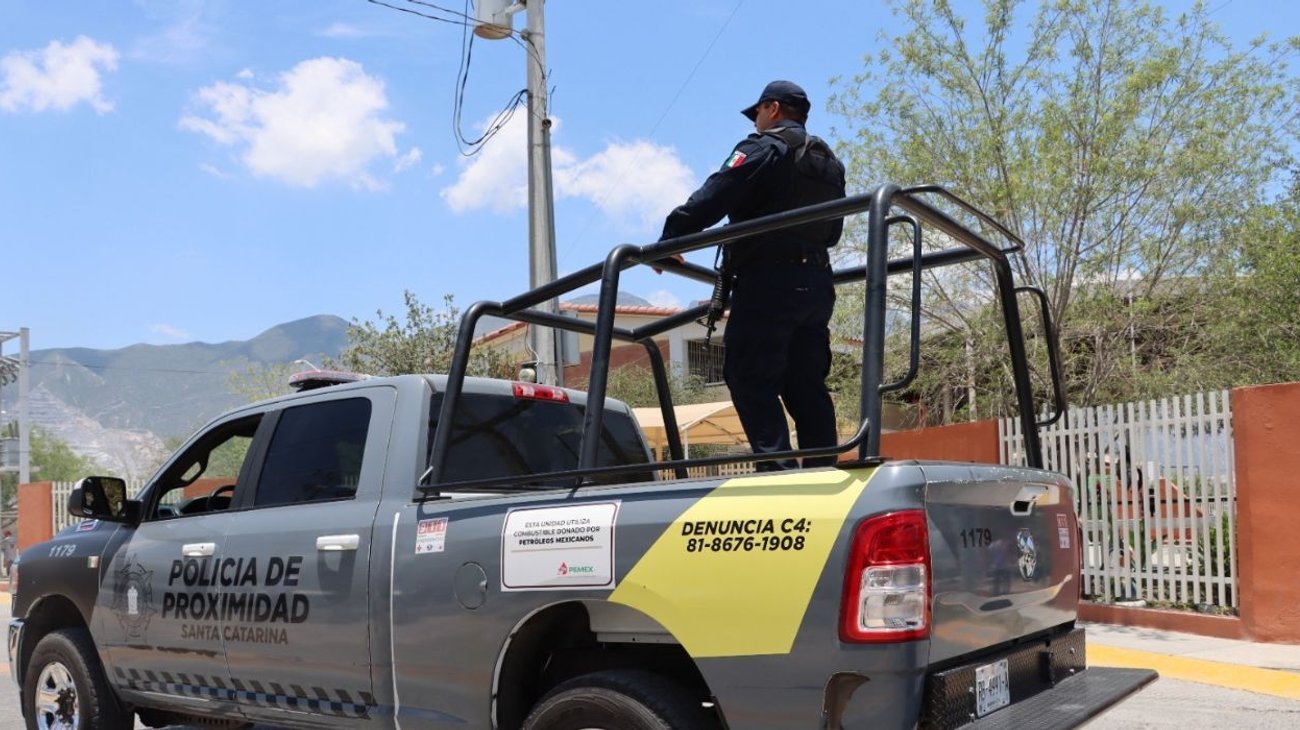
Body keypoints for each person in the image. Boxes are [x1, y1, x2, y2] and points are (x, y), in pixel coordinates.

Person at [659, 80, 846, 470]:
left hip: (768, 284)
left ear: (773, 109)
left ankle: (776, 475)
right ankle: (823, 473)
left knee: (749, 375)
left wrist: (671, 238)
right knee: (805, 385)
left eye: (758, 112)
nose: (757, 121)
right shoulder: (828, 163)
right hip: (815, 287)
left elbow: (717, 192)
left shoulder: (763, 148)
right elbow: (832, 233)